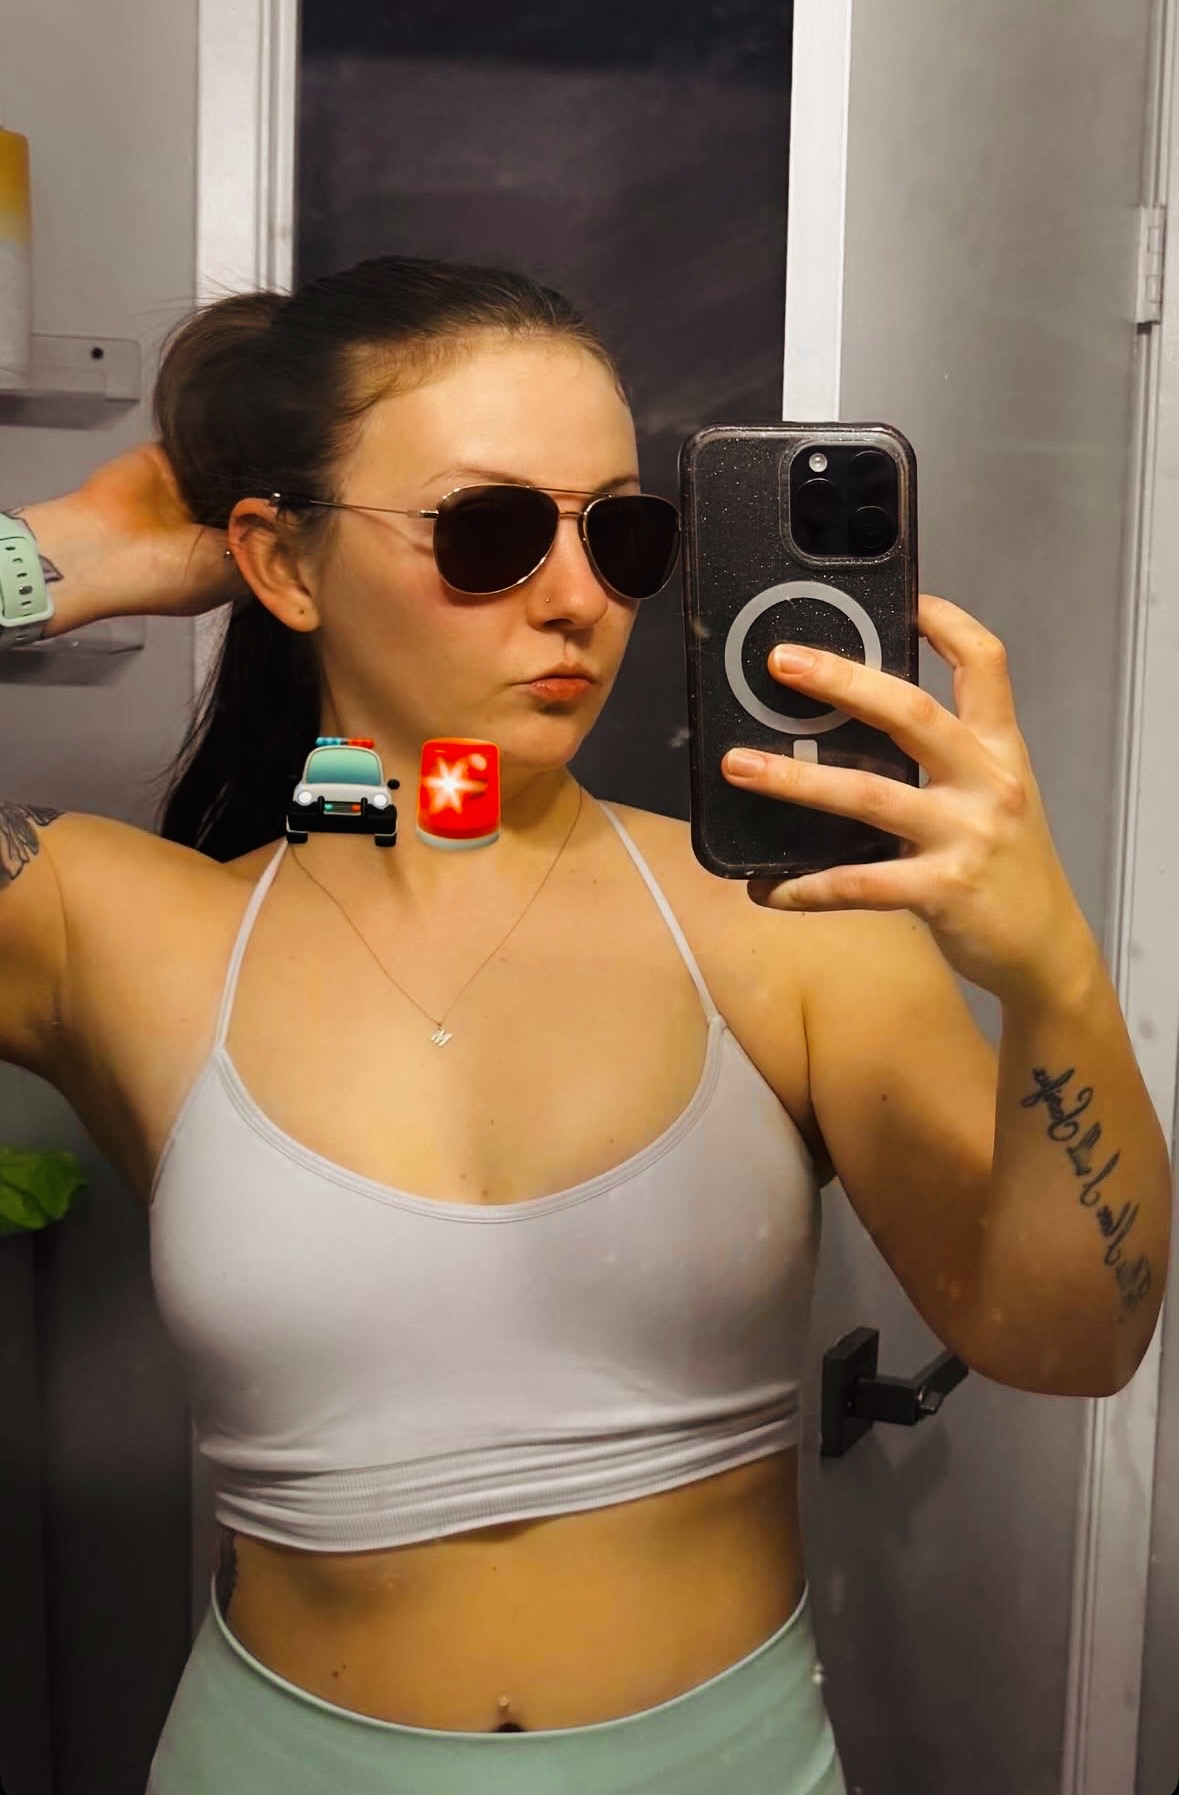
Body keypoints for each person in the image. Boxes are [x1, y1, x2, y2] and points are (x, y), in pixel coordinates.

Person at [0, 256, 1169, 1795]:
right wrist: (64, 555)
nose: (577, 600)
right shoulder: (125, 931)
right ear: (282, 566)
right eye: (486, 533)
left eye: (620, 534)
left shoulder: (784, 924)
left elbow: (1071, 1340)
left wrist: (1054, 973)